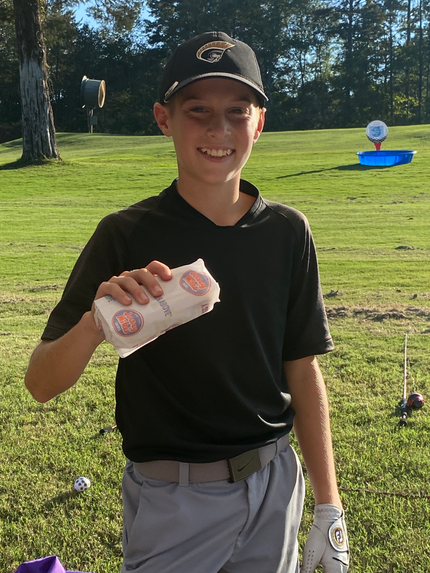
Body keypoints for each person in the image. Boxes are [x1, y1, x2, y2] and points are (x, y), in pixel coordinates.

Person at [25, 31, 349, 573]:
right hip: (172, 500)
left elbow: (301, 366)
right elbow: (40, 383)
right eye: (198, 109)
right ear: (164, 118)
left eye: (237, 111)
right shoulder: (124, 234)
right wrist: (94, 323)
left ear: (259, 123)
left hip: (275, 485)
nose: (219, 129)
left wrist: (329, 503)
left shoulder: (288, 232)